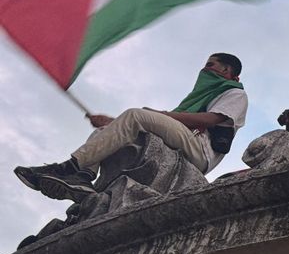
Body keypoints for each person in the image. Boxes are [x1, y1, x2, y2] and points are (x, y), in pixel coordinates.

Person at [14, 53, 248, 202]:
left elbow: (211, 120)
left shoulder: (235, 93)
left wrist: (160, 115)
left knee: (137, 114)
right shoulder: (201, 95)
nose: (204, 70)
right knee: (103, 132)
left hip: (199, 150)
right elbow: (149, 123)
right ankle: (83, 176)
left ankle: (67, 168)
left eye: (210, 65)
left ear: (227, 71)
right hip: (181, 138)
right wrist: (113, 123)